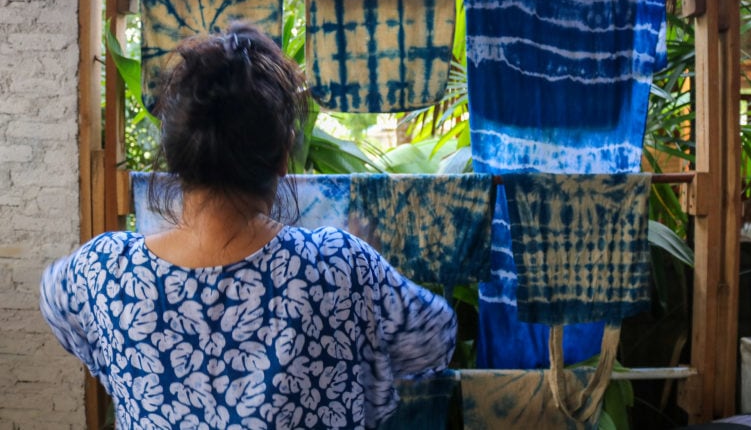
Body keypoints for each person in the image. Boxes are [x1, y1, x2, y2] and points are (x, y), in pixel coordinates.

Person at [40, 22, 457, 429]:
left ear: (174, 157)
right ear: (281, 158)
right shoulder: (340, 265)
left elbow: (55, 302)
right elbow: (435, 338)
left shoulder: (104, 270)